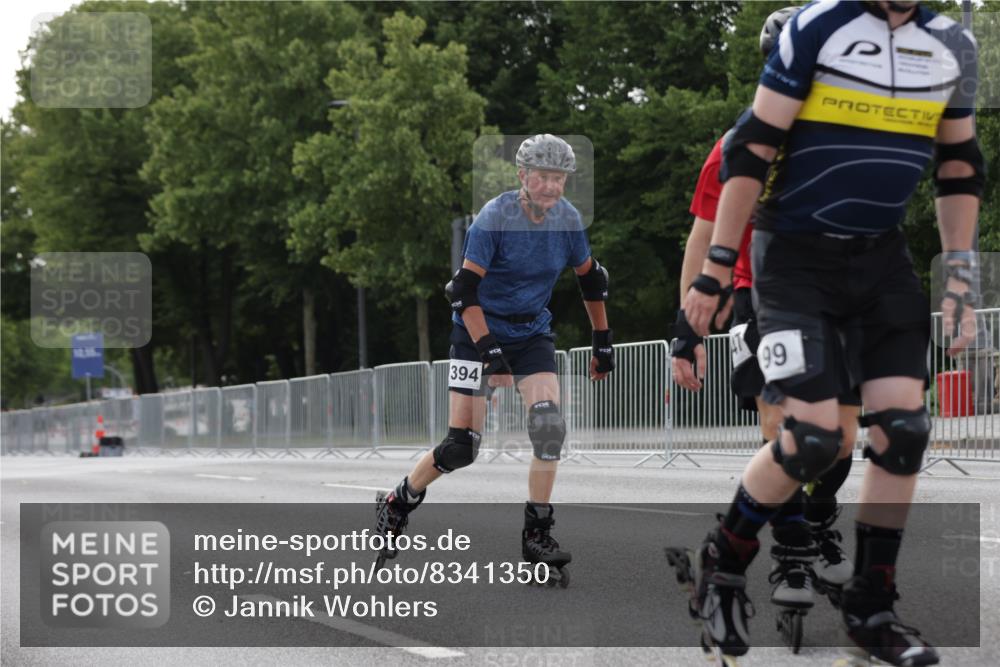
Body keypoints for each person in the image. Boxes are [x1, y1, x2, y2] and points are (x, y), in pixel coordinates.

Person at [680, 0, 981, 664]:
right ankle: (725, 560)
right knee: (814, 436)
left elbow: (959, 161)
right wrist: (715, 272)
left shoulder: (952, 44)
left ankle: (872, 604)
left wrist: (961, 272)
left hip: (882, 259)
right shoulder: (820, 25)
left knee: (902, 429)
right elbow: (752, 149)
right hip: (794, 260)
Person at [671, 6, 857, 617]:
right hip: (761, 293)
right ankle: (791, 552)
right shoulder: (737, 143)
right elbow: (702, 237)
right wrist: (685, 329)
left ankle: (815, 519)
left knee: (844, 439)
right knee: (784, 427)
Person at [375, 134, 614, 585]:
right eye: (542, 177)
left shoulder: (568, 220)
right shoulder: (494, 218)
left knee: (549, 428)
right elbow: (462, 292)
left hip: (531, 333)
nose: (551, 187)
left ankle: (536, 534)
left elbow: (591, 281)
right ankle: (399, 500)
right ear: (522, 176)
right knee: (461, 447)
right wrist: (492, 355)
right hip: (476, 333)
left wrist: (603, 340)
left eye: (559, 178)